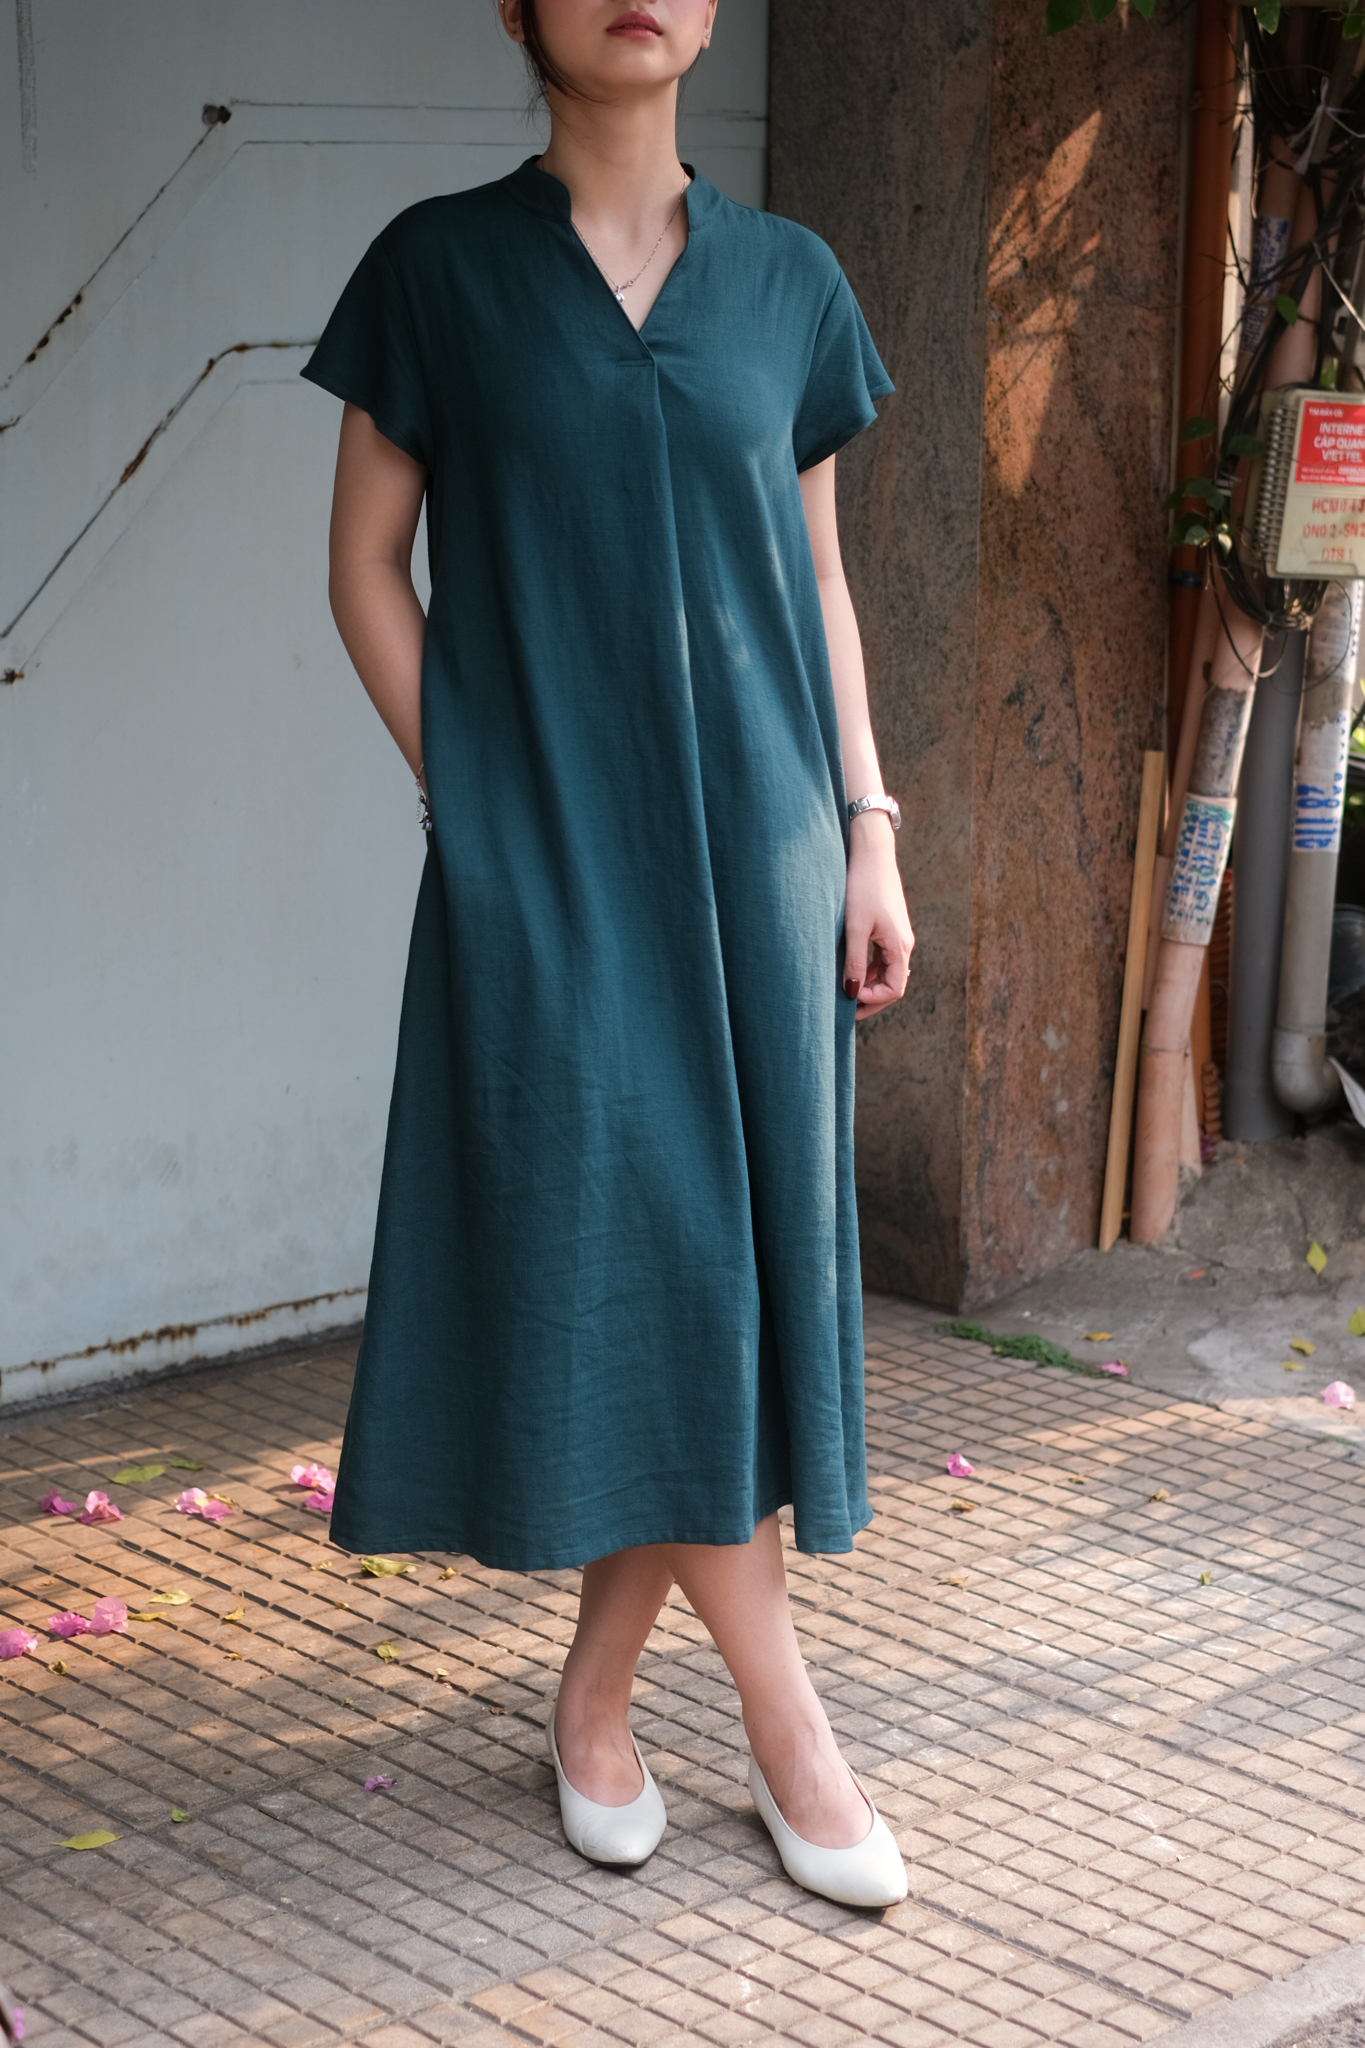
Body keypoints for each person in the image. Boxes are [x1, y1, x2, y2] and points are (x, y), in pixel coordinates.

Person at [302, 0, 914, 1909]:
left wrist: (870, 831)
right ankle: (790, 1727)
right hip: (556, 867)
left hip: (766, 859)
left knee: (704, 1277)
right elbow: (363, 567)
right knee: (668, 1258)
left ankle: (591, 1700)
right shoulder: (438, 270)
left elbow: (818, 580)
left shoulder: (791, 283)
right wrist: (476, 791)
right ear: (515, 9)